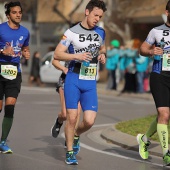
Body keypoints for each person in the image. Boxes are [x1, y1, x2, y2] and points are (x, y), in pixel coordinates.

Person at [53, 0, 107, 165]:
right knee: (72, 117)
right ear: (87, 12)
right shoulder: (71, 32)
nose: (97, 19)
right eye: (95, 15)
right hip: (73, 79)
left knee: (89, 121)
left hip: (90, 81)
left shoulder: (101, 32)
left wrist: (102, 54)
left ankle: (76, 134)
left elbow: (102, 47)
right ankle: (70, 153)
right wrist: (76, 56)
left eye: (100, 16)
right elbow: (57, 54)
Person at [137, 0, 170, 166]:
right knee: (164, 114)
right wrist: (151, 51)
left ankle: (144, 139)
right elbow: (142, 49)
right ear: (167, 12)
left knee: (164, 116)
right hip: (159, 75)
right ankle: (167, 154)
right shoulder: (156, 31)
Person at [0, 1, 30, 153]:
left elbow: (25, 47)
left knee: (10, 107)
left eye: (19, 12)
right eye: (14, 12)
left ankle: (3, 142)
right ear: (8, 15)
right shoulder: (0, 29)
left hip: (14, 72)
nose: (18, 15)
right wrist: (2, 51)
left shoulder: (25, 32)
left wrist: (25, 53)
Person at [51, 59, 81, 143]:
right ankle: (59, 121)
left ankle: (70, 138)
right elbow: (55, 60)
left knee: (76, 114)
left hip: (81, 81)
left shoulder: (88, 47)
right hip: (66, 79)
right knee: (64, 114)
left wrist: (102, 54)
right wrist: (63, 68)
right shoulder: (67, 46)